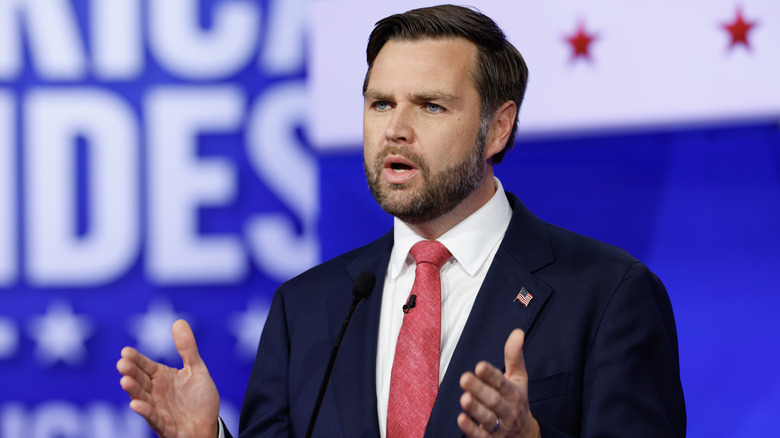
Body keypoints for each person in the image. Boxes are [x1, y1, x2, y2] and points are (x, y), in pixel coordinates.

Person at [117, 5, 686, 438]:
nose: (395, 130)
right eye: (381, 104)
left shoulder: (607, 294)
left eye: (431, 105)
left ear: (497, 128)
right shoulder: (306, 307)